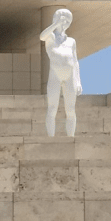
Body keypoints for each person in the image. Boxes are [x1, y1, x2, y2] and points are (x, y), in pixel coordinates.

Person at [39, 8, 81, 137]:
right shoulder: (50, 37)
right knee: (52, 108)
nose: (65, 23)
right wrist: (56, 24)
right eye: (63, 19)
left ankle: (71, 137)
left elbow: (75, 61)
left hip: (70, 77)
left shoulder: (71, 41)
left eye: (68, 20)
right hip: (55, 75)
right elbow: (42, 36)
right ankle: (51, 138)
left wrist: (78, 81)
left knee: (71, 110)